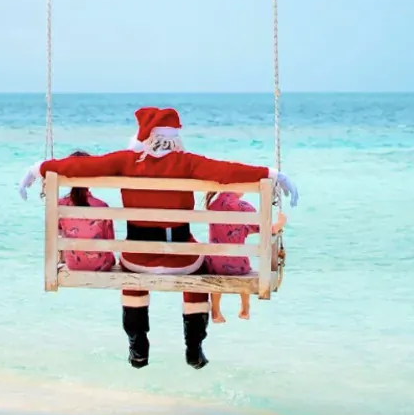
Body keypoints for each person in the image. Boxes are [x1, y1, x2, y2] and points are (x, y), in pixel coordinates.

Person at [19, 107, 298, 370]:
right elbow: (226, 171)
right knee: (199, 275)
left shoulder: (126, 160)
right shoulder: (187, 162)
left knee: (132, 276)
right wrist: (272, 175)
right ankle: (194, 346)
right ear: (173, 137)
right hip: (183, 260)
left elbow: (83, 167)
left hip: (137, 258)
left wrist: (38, 169)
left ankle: (137, 346)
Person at [205, 190, 288, 323]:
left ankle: (215, 310)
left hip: (214, 264)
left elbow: (229, 231)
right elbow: (263, 230)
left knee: (217, 263)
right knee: (244, 268)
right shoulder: (244, 207)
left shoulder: (213, 204)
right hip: (237, 266)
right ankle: (245, 308)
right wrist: (280, 223)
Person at [57, 151, 115, 273]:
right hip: (101, 265)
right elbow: (110, 240)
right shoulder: (102, 206)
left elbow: (58, 232)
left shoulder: (60, 204)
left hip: (73, 264)